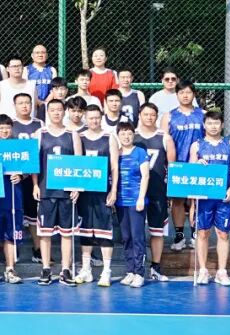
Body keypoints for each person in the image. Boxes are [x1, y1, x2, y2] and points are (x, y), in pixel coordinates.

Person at [34, 99, 82, 286]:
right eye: (52, 110)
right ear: (48, 112)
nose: (56, 113)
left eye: (59, 110)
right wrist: (35, 185)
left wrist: (77, 187)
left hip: (66, 191)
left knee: (66, 233)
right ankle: (46, 268)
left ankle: (65, 269)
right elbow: (34, 163)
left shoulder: (72, 134)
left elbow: (79, 162)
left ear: (64, 112)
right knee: (45, 233)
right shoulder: (41, 133)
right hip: (46, 189)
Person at [190, 110, 230, 286]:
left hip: (223, 196)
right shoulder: (197, 145)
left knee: (223, 233)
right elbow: (190, 169)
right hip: (204, 197)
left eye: (216, 123)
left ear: (222, 125)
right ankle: (203, 270)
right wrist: (196, 164)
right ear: (204, 125)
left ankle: (221, 272)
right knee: (202, 233)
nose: (213, 126)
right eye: (210, 123)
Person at [74, 106, 119, 287]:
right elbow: (76, 164)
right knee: (85, 230)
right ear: (85, 118)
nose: (94, 121)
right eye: (91, 118)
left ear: (101, 118)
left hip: (102, 191)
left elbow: (114, 166)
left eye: (97, 118)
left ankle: (106, 271)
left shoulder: (109, 137)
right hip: (84, 191)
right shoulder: (80, 137)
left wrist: (113, 190)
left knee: (104, 231)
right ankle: (86, 269)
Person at [161, 80, 204, 253]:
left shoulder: (203, 115)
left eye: (188, 92)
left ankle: (194, 234)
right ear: (177, 95)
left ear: (194, 94)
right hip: (177, 166)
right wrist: (167, 166)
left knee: (195, 199)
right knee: (177, 200)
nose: (185, 95)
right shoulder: (169, 116)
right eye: (181, 92)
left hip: (197, 165)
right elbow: (163, 142)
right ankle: (179, 235)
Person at [135, 103, 176, 281]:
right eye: (146, 114)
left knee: (157, 231)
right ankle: (135, 268)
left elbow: (172, 167)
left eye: (152, 114)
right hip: (135, 191)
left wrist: (170, 192)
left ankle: (156, 267)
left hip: (157, 191)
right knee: (136, 232)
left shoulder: (164, 137)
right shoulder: (132, 136)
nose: (149, 117)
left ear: (156, 116)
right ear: (140, 115)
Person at [0, 115, 25, 284]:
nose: (4, 131)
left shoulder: (19, 147)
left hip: (13, 198)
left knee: (11, 236)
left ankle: (10, 269)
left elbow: (29, 167)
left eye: (7, 127)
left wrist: (21, 175)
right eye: (1, 128)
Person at [115, 122, 150, 288]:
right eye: (122, 134)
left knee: (137, 237)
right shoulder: (116, 153)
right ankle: (130, 271)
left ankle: (139, 273)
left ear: (133, 135)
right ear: (118, 136)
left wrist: (141, 198)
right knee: (126, 237)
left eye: (129, 133)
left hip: (136, 202)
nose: (126, 137)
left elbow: (145, 176)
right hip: (120, 201)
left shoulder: (140, 152)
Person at [10, 93, 43, 262]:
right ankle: (12, 249)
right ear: (14, 106)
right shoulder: (10, 124)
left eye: (27, 103)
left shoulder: (39, 124)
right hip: (13, 177)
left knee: (33, 215)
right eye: (20, 103)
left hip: (33, 177)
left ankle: (38, 249)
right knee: (14, 212)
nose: (24, 106)